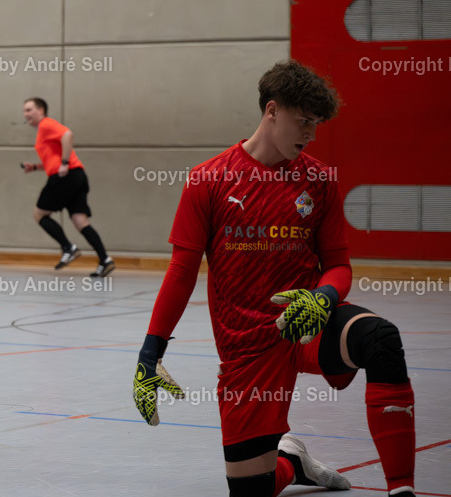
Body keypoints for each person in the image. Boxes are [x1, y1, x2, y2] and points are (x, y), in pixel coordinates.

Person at [132, 60, 416, 497]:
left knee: (380, 339)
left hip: (306, 325)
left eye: (316, 125)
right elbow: (181, 272)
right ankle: (292, 463)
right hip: (246, 346)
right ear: (271, 111)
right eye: (302, 122)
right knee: (251, 491)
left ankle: (402, 489)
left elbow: (339, 265)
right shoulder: (209, 180)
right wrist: (150, 353)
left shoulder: (318, 181)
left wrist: (323, 298)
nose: (309, 134)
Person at [21, 98, 114, 277]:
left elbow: (67, 135)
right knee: (81, 221)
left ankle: (68, 247)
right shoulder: (43, 131)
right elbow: (51, 159)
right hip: (77, 175)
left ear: (41, 110)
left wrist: (64, 163)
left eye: (29, 110)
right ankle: (105, 260)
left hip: (65, 176)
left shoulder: (46, 124)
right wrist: (34, 167)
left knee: (39, 214)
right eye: (24, 111)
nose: (26, 114)